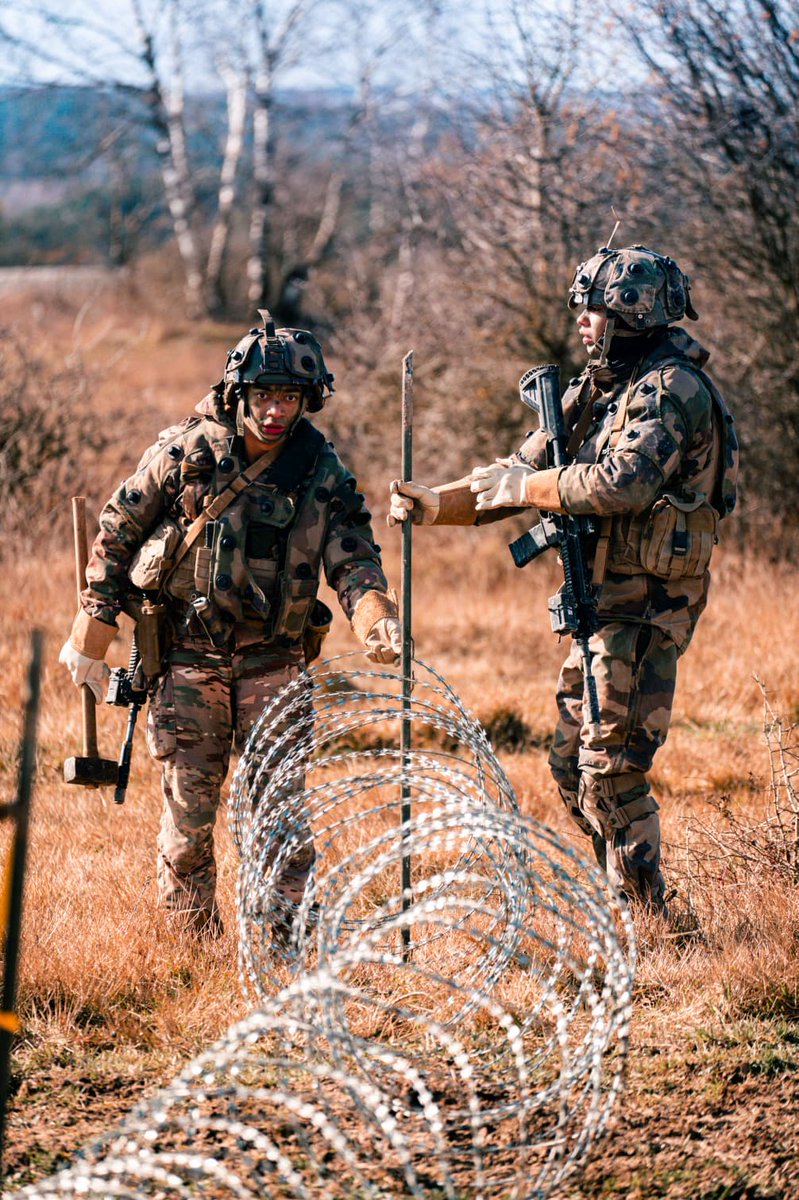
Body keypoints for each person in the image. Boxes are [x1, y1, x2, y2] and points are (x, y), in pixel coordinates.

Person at [388, 245, 738, 912]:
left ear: (634, 314)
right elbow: (510, 479)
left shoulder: (671, 390)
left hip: (646, 606)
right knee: (567, 766)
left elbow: (621, 483)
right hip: (602, 602)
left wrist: (533, 483)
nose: (582, 321)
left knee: (608, 773)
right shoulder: (598, 389)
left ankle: (645, 919)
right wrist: (436, 504)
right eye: (582, 308)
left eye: (596, 309)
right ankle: (629, 895)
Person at [60, 310, 401, 936]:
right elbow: (117, 530)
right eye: (264, 395)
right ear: (239, 392)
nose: (275, 411)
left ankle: (281, 937)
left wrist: (373, 610)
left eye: (289, 397)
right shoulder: (185, 453)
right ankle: (191, 946)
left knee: (280, 812)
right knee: (190, 817)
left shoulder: (320, 470)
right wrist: (93, 624)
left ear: (308, 400)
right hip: (187, 660)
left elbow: (352, 551)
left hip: (274, 660)